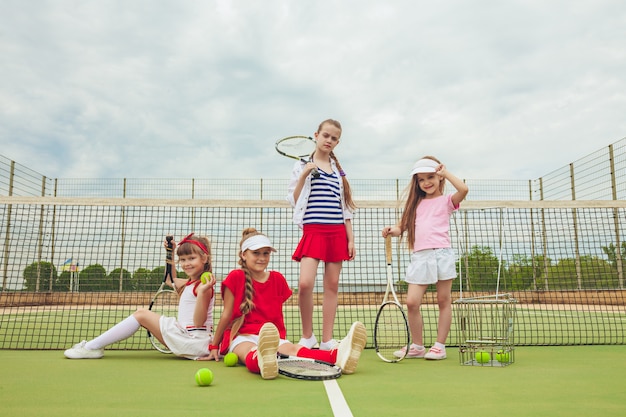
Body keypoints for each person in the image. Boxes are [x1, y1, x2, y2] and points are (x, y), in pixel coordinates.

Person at [205, 228, 366, 380]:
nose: (262, 258)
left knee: (294, 350)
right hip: (241, 336)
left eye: (266, 253)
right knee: (250, 350)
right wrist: (214, 346)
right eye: (256, 253)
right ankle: (263, 361)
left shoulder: (277, 279)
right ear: (243, 255)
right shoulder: (235, 277)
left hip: (271, 337)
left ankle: (338, 355)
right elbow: (226, 315)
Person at [64, 233, 216, 360]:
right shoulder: (189, 284)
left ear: (204, 258)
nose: (186, 264)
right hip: (188, 338)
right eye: (182, 259)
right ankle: (92, 347)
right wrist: (170, 252)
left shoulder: (203, 288)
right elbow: (170, 279)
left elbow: (198, 322)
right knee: (141, 314)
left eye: (191, 258)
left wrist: (203, 292)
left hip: (194, 342)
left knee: (141, 314)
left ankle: (91, 347)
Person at [382, 156, 468, 360]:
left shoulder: (447, 201)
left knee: (443, 300)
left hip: (442, 254)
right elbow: (401, 227)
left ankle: (439, 346)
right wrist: (391, 231)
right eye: (421, 179)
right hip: (420, 257)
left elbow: (463, 190)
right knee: (412, 302)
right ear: (417, 183)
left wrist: (445, 172)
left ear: (439, 178)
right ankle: (418, 346)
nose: (426, 182)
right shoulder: (415, 205)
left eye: (431, 177)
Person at [286, 119, 356, 350]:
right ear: (316, 135)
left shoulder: (338, 172)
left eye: (334, 138)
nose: (329, 140)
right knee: (305, 284)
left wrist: (350, 238)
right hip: (313, 230)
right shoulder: (302, 165)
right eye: (326, 135)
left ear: (338, 142)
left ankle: (327, 340)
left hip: (336, 233)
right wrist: (305, 174)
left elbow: (344, 208)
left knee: (332, 285)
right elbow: (294, 200)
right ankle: (308, 336)